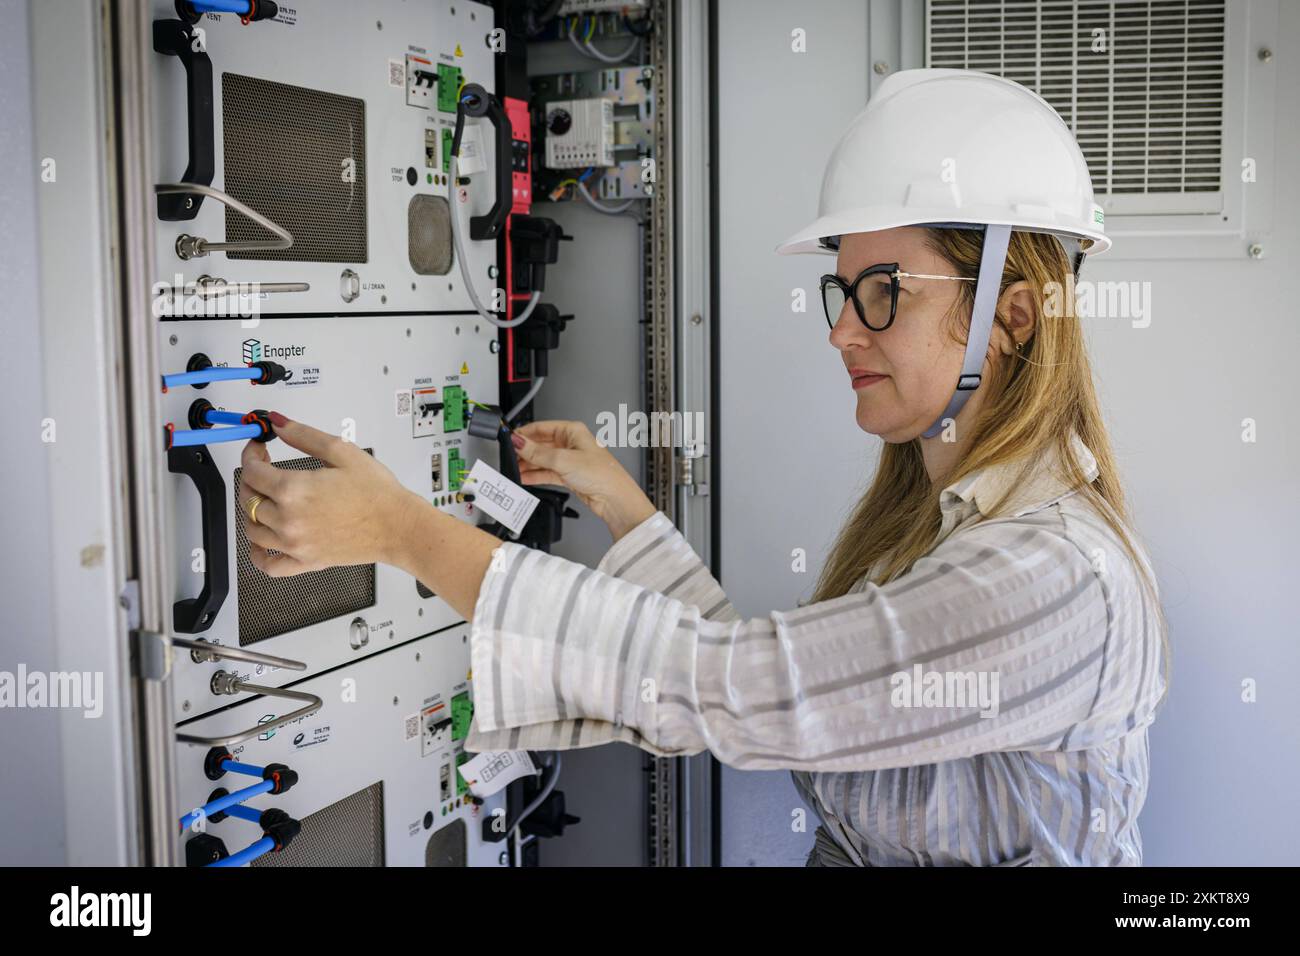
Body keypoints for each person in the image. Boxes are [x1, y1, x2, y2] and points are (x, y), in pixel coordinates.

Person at [235, 69, 1168, 866]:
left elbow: (726, 692)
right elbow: (774, 690)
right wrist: (626, 509)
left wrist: (402, 531)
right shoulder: (950, 523)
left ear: (1013, 315)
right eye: (840, 291)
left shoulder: (1049, 579)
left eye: (883, 292)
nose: (842, 329)